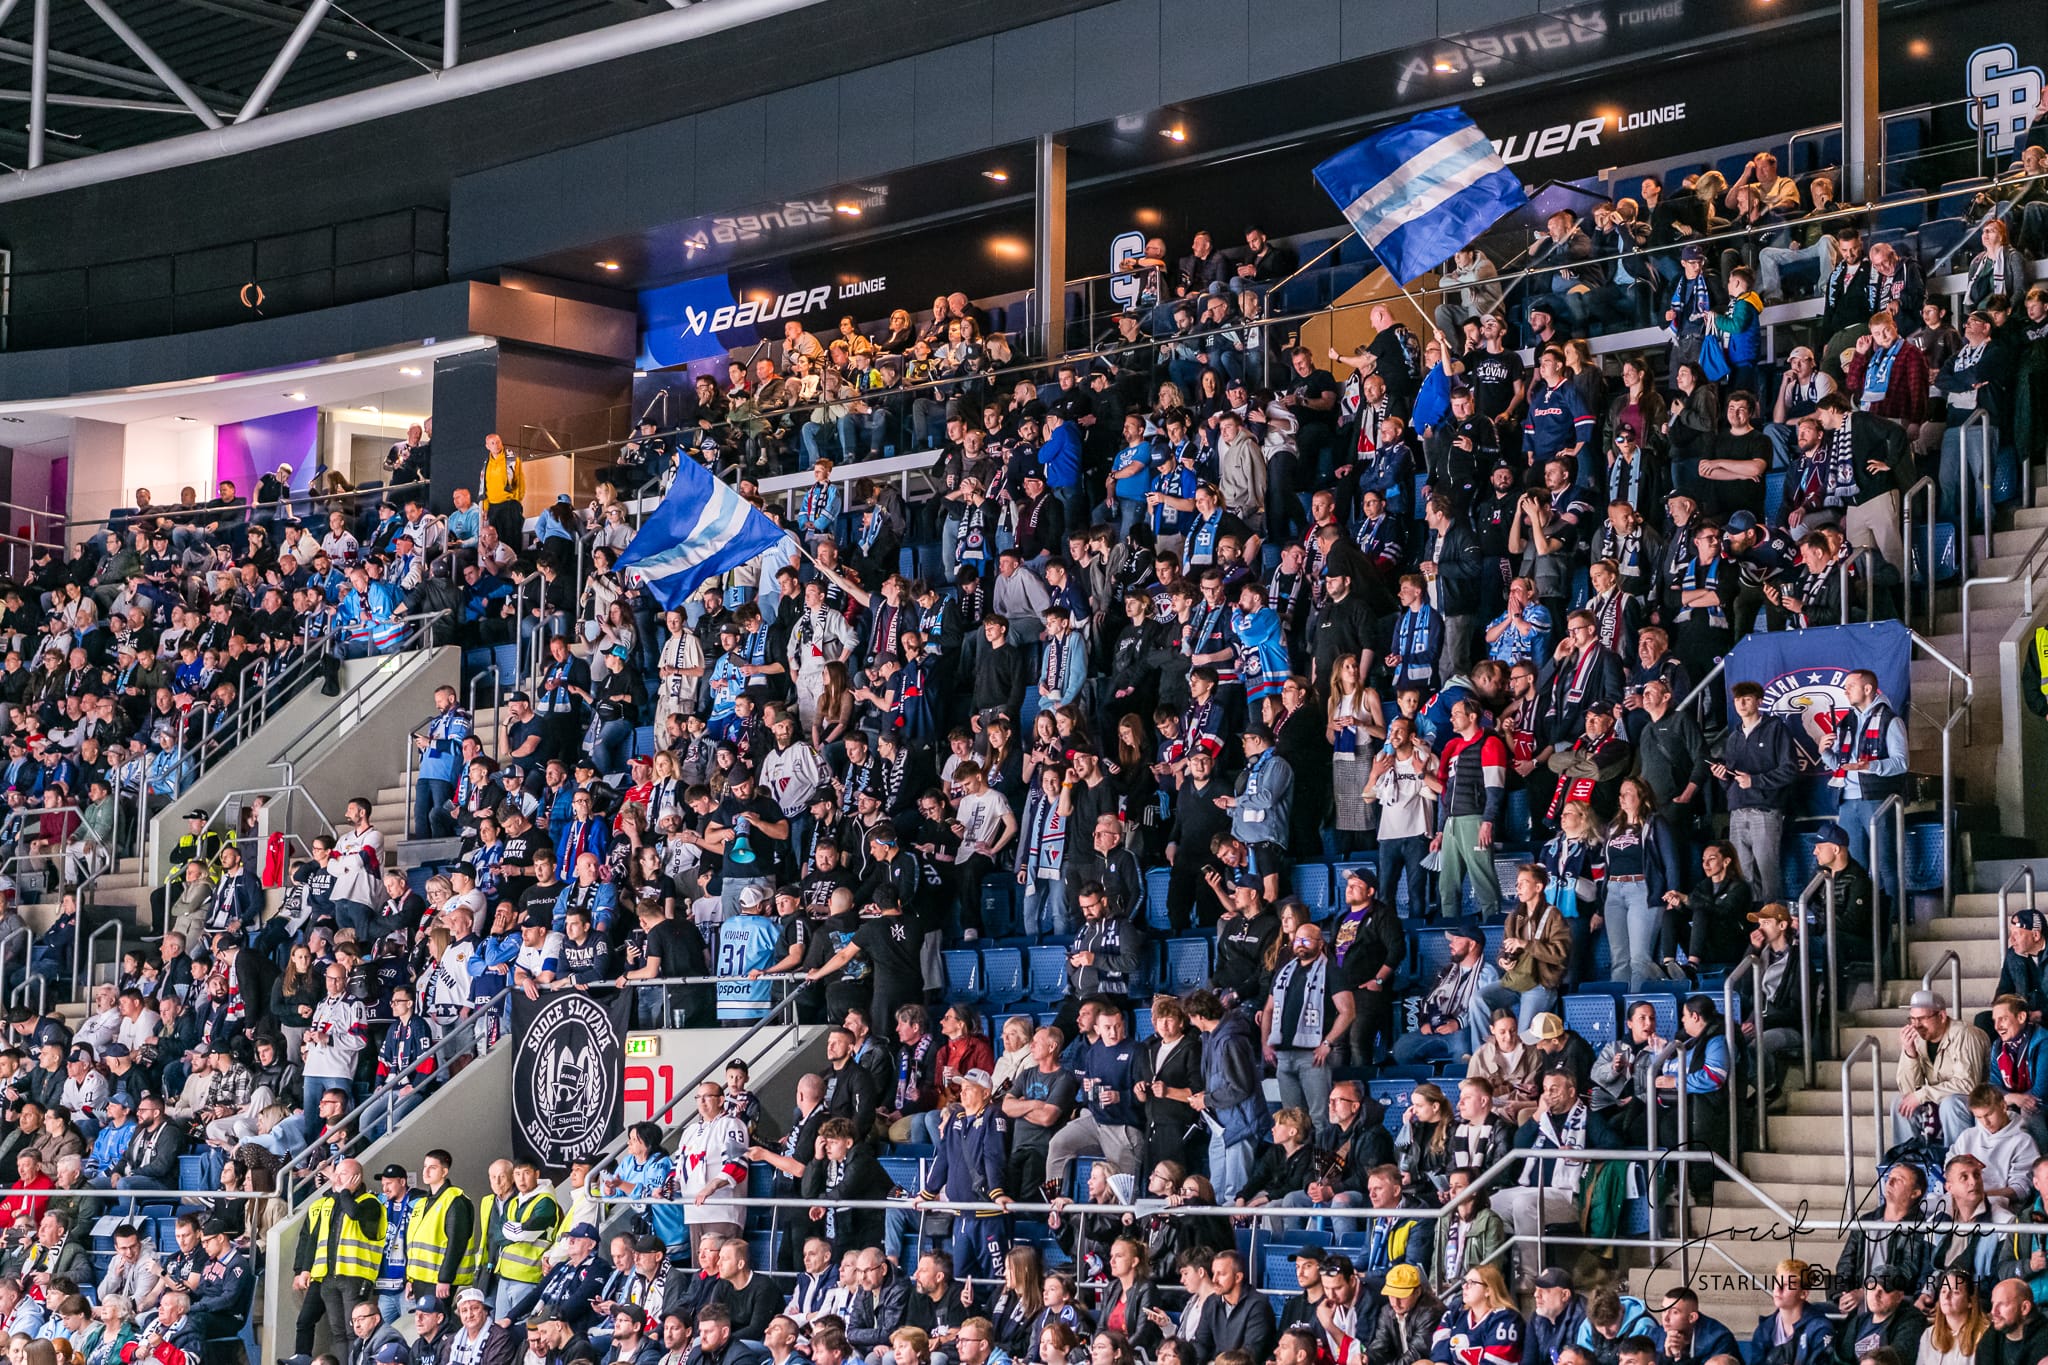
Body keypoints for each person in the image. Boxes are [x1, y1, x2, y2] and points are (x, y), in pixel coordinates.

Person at [1894, 990, 1991, 1154]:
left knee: (1950, 1104)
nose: (1916, 1025)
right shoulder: (1917, 1038)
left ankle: (1957, 1161)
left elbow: (1967, 1085)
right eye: (1913, 1019)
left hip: (1976, 1099)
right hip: (1939, 1098)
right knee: (1900, 1103)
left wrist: (1922, 1095)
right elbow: (1908, 1090)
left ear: (1941, 1016)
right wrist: (1910, 1053)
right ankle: (1908, 1160)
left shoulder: (1965, 1034)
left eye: (1922, 1018)